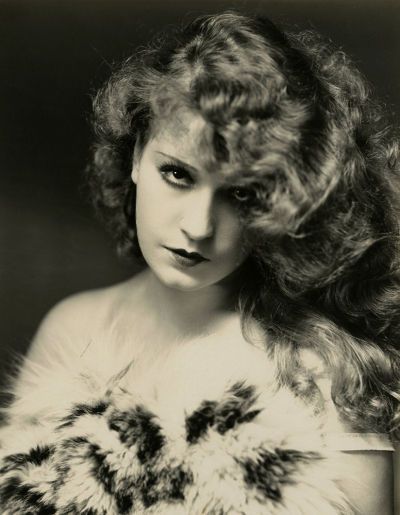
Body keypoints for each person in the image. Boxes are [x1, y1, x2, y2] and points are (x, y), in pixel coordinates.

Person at [0, 10, 398, 514]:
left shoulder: (321, 369)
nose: (199, 225)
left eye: (240, 194)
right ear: (136, 154)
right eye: (178, 174)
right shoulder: (72, 328)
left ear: (282, 202)